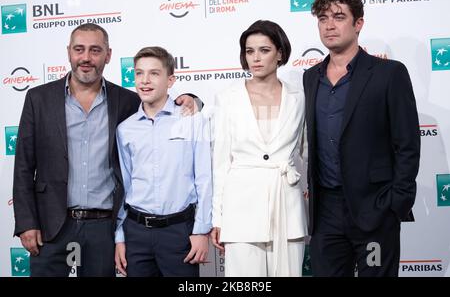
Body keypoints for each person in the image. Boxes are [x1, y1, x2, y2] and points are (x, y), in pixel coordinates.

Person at [13, 23, 198, 277]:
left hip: (103, 228)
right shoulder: (38, 98)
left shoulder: (128, 101)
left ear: (108, 55)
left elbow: (160, 104)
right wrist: (26, 223)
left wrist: (192, 98)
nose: (86, 58)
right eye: (79, 49)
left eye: (95, 50)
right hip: (51, 226)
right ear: (69, 52)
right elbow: (23, 166)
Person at [303, 0, 420, 276]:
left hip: (375, 210)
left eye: (339, 17)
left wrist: (395, 204)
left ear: (358, 24)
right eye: (322, 18)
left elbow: (407, 143)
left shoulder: (389, 73)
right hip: (326, 211)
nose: (329, 25)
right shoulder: (310, 77)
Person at [210, 20, 308, 277]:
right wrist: (218, 218)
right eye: (249, 51)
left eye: (264, 50)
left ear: (280, 54)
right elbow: (220, 162)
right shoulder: (227, 98)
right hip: (240, 208)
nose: (255, 57)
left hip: (287, 206)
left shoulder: (299, 98)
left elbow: (308, 152)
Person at [114, 46, 212, 277]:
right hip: (135, 234)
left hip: (179, 232)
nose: (145, 81)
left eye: (154, 73)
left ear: (170, 80)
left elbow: (205, 179)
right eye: (139, 73)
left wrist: (201, 231)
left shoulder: (192, 120)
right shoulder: (125, 129)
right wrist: (120, 237)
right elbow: (123, 185)